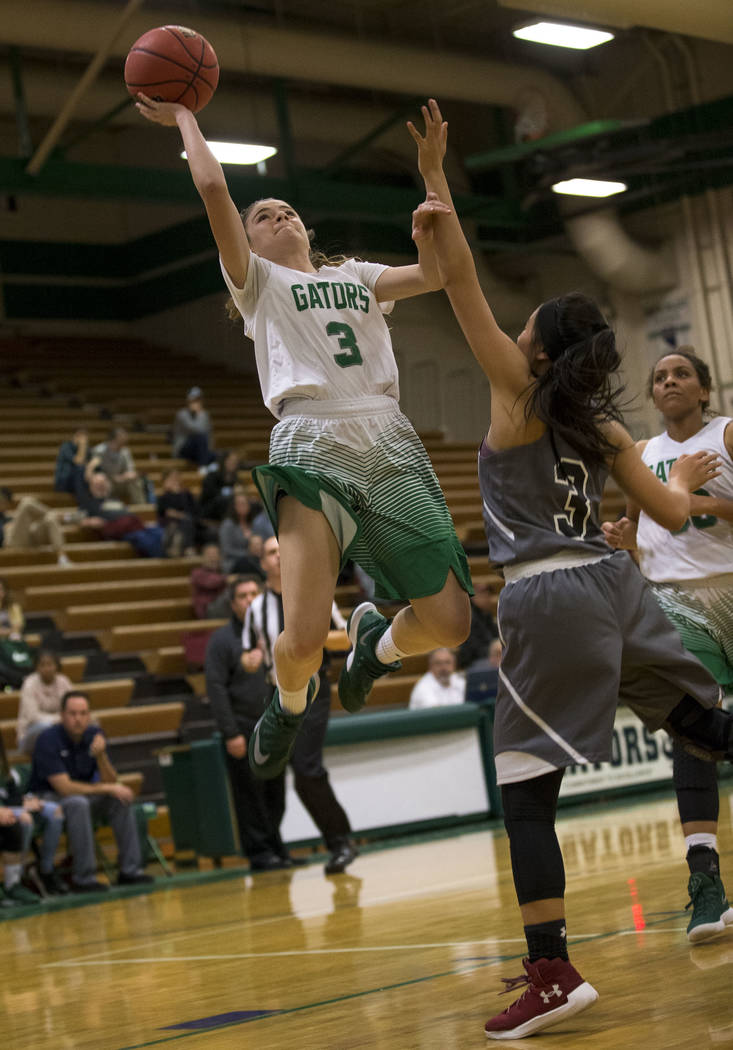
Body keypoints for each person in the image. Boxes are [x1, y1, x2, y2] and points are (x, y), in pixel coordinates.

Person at [409, 98, 733, 1039]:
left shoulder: (519, 400)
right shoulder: (600, 425)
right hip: (617, 583)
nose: (505, 335)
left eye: (521, 329)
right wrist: (688, 486)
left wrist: (437, 178)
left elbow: (457, 281)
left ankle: (550, 972)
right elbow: (673, 514)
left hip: (550, 594)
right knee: (703, 726)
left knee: (522, 791)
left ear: (540, 349)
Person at [136, 94, 473, 791]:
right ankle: (288, 707)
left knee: (452, 622)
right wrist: (185, 120)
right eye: (263, 216)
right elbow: (210, 187)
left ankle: (378, 642)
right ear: (249, 244)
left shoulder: (352, 275)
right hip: (308, 439)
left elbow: (439, 273)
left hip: (387, 434)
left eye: (287, 209)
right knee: (303, 636)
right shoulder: (259, 285)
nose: (278, 215)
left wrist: (432, 176)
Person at [602, 347, 733, 943]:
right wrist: (626, 537)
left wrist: (692, 502)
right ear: (652, 395)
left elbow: (682, 512)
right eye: (659, 377)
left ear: (704, 390)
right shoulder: (641, 455)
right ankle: (705, 881)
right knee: (693, 727)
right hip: (677, 600)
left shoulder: (725, 434)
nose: (669, 382)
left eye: (681, 374)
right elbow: (637, 525)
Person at [242, 537, 358, 875]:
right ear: (262, 562)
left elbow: (345, 637)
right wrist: (249, 660)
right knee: (275, 773)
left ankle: (340, 843)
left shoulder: (314, 593)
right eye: (270, 553)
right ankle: (276, 848)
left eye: (281, 551)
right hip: (275, 693)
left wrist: (309, 640)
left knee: (306, 771)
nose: (277, 557)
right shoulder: (255, 608)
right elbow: (249, 655)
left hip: (312, 687)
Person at [205, 575, 292, 871]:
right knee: (250, 794)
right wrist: (230, 733)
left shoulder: (272, 632)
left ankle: (276, 846)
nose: (250, 599)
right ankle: (258, 852)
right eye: (243, 595)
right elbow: (215, 688)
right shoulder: (222, 641)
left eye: (255, 593)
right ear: (232, 604)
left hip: (274, 724)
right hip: (242, 726)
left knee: (276, 792)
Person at [28, 691, 153, 892]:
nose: (78, 719)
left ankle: (130, 871)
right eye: (72, 713)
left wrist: (102, 756)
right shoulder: (47, 740)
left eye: (83, 713)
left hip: (84, 796)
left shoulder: (94, 735)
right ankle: (83, 878)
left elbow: (111, 781)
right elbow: (64, 788)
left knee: (119, 798)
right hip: (49, 801)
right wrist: (106, 787)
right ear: (62, 715)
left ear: (89, 715)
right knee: (79, 803)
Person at [0, 709, 66, 901]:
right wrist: (13, 807)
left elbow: (7, 789)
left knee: (55, 811)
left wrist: (25, 800)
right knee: (23, 818)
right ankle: (16, 880)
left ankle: (45, 869)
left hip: (5, 806)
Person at [0, 487, 70, 565]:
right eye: (3, 503)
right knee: (26, 502)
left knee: (50, 519)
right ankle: (62, 517)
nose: (6, 506)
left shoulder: (6, 517)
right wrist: (2, 531)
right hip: (8, 544)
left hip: (25, 539)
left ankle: (62, 557)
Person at [16, 648, 74, 755]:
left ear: (57, 666)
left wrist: (62, 720)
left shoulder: (64, 681)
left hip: (60, 729)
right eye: (42, 665)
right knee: (45, 727)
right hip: (30, 733)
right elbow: (33, 717)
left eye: (50, 664)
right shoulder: (29, 684)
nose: (47, 668)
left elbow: (72, 707)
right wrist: (58, 720)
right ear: (36, 667)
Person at [219, 488, 273, 574]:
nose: (243, 506)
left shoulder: (255, 523)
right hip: (234, 562)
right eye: (240, 504)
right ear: (234, 506)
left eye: (245, 503)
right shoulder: (228, 525)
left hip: (255, 560)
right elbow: (227, 550)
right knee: (247, 564)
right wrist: (247, 553)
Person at [89, 427, 146, 505]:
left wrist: (126, 476)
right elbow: (94, 471)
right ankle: (104, 508)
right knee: (102, 482)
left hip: (121, 481)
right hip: (106, 480)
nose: (125, 439)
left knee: (135, 482)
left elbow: (130, 470)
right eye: (122, 437)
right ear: (114, 439)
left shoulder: (125, 451)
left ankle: (141, 508)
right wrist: (111, 478)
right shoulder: (99, 451)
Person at [157, 468, 205, 557]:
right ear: (165, 481)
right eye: (172, 478)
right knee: (185, 521)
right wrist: (171, 494)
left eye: (177, 477)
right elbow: (165, 513)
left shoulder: (186, 494)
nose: (175, 480)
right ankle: (189, 548)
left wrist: (179, 494)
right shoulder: (163, 497)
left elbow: (193, 510)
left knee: (191, 522)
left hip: (190, 523)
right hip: (173, 525)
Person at [456, 581, 499, 670]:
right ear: (472, 596)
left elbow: (496, 637)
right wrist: (494, 651)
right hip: (472, 662)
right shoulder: (468, 617)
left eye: (488, 594)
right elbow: (473, 648)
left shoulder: (487, 615)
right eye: (482, 594)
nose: (487, 597)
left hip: (487, 658)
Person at [172, 387, 216, 467]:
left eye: (198, 400)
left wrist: (208, 450)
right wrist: (200, 414)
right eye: (194, 400)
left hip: (200, 451)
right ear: (188, 401)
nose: (196, 403)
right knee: (200, 437)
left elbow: (209, 433)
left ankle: (206, 465)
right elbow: (196, 430)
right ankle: (203, 466)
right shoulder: (182, 414)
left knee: (218, 455)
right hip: (183, 450)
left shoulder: (204, 414)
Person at [199, 449, 243, 522]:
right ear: (224, 461)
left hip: (228, 509)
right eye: (231, 460)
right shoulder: (212, 476)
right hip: (210, 509)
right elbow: (210, 495)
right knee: (223, 500)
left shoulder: (236, 480)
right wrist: (232, 493)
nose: (234, 463)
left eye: (235, 461)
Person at [189, 543, 229, 618]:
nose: (212, 557)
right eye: (209, 554)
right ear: (203, 557)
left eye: (215, 554)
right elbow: (211, 582)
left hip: (223, 610)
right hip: (207, 610)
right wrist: (227, 579)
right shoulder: (197, 573)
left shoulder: (223, 571)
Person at [54, 427, 90, 495]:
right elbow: (79, 461)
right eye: (81, 436)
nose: (83, 440)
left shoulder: (87, 449)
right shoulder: (66, 447)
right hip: (64, 480)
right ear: (75, 436)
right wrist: (82, 446)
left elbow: (89, 462)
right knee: (80, 469)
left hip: (78, 481)